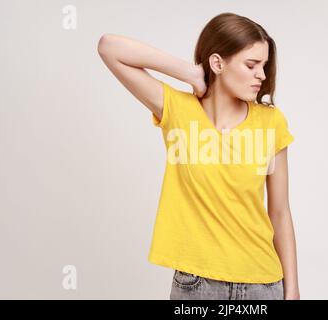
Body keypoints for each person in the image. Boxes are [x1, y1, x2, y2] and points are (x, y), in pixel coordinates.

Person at [97, 12, 300, 300]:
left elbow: (280, 213)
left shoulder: (271, 123)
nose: (262, 75)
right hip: (197, 286)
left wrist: (292, 291)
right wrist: (191, 72)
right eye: (252, 64)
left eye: (264, 66)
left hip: (263, 285)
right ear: (218, 63)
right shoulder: (178, 111)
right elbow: (109, 47)